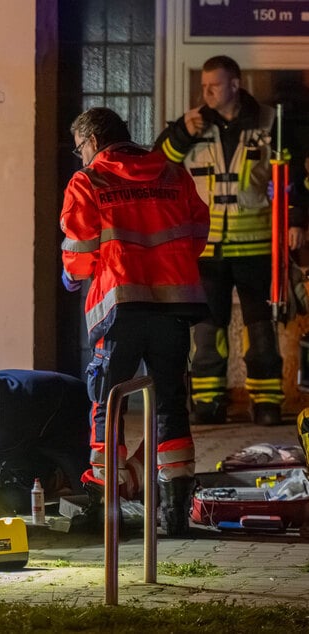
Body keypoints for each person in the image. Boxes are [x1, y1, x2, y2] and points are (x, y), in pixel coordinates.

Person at [61, 106, 210, 536]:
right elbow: (197, 234)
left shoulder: (89, 180)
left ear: (91, 142)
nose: (80, 158)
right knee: (169, 408)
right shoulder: (172, 174)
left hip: (119, 310)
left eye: (79, 150)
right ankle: (174, 511)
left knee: (108, 404)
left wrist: (72, 275)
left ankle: (105, 510)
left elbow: (80, 254)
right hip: (174, 309)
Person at [156, 55, 306, 426]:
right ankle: (207, 403)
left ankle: (267, 403)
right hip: (206, 249)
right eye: (204, 86)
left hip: (257, 245)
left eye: (215, 85)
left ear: (235, 85)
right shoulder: (190, 126)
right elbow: (157, 166)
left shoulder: (270, 123)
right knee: (207, 331)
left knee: (262, 330)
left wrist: (298, 219)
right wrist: (180, 134)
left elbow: (294, 176)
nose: (206, 92)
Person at [0, 368, 91, 516]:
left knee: (84, 486)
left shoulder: (11, 412)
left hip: (74, 415)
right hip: (44, 410)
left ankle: (97, 516)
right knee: (17, 466)